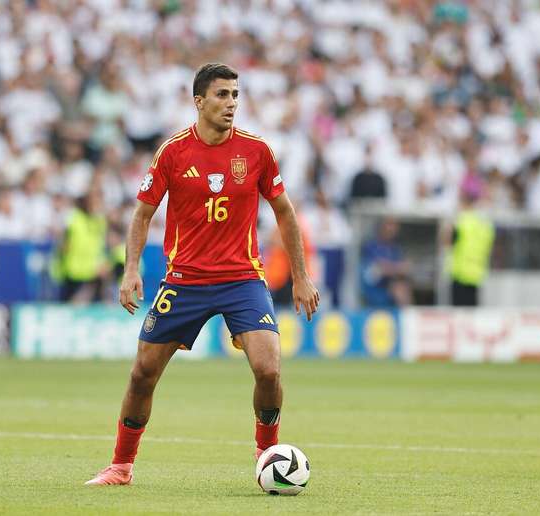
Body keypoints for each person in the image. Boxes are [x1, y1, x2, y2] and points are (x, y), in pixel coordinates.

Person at [85, 63, 320, 486]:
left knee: (269, 370)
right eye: (222, 95)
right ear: (199, 101)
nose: (231, 103)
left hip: (242, 279)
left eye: (235, 95)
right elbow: (143, 213)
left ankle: (268, 453)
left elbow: (284, 212)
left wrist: (300, 276)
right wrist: (131, 271)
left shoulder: (257, 151)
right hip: (184, 279)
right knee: (142, 373)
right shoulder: (173, 152)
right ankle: (121, 465)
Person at [445, 187, 495, 307]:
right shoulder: (485, 224)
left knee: (458, 314)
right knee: (471, 313)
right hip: (477, 274)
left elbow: (447, 242)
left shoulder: (460, 221)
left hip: (460, 274)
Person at [57, 187, 109, 303]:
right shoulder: (74, 218)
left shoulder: (100, 221)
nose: (97, 205)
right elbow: (64, 243)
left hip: (93, 272)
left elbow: (101, 245)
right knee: (69, 307)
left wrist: (102, 262)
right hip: (73, 272)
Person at [359, 217, 412, 307]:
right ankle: (406, 315)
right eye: (389, 226)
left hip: (388, 286)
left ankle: (407, 315)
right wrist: (398, 268)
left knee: (403, 285)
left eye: (394, 227)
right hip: (373, 286)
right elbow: (381, 268)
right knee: (399, 288)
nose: (392, 230)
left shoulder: (394, 248)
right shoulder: (371, 245)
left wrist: (400, 268)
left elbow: (405, 267)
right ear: (381, 227)